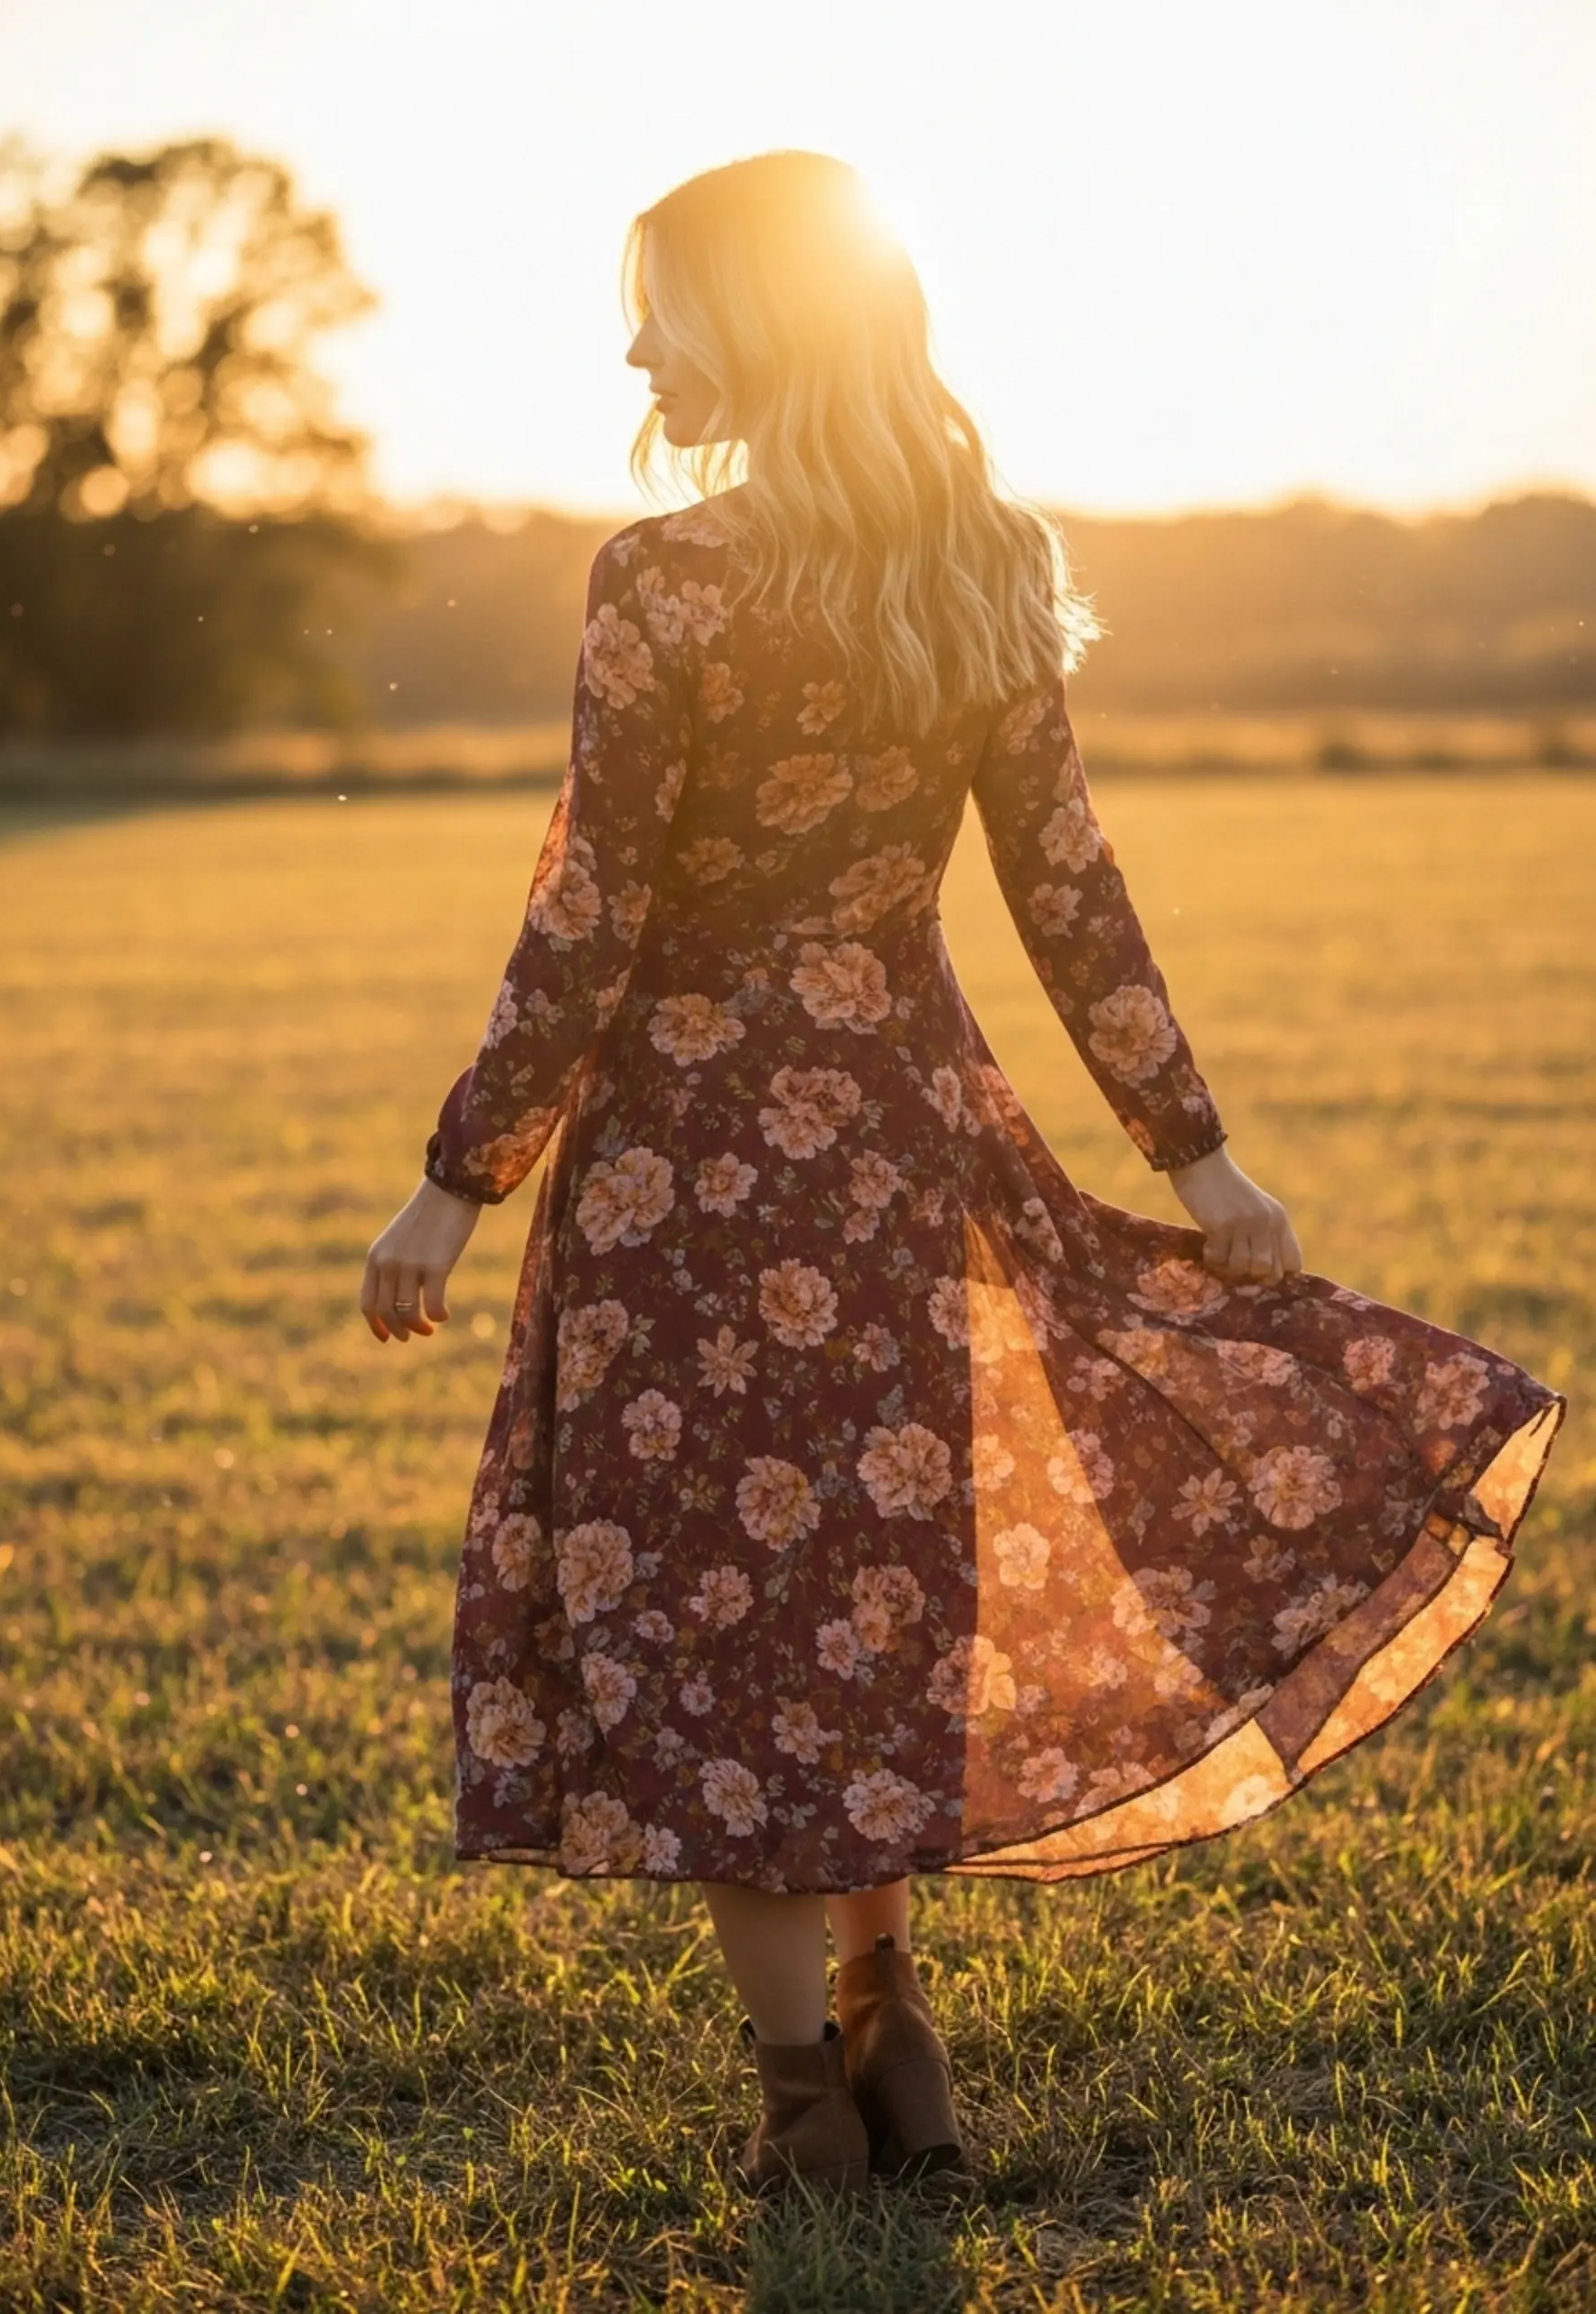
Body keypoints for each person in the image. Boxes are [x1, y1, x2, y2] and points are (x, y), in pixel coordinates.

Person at [359, 150, 1564, 2200]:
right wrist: (1197, 1149)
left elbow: (590, 913)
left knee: (707, 1613)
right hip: (900, 1146)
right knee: (870, 1590)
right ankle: (890, 2027)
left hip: (689, 1170)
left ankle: (797, 2104)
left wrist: (457, 1181)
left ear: (761, 318)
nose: (633, 343)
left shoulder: (664, 578)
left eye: (661, 303)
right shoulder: (977, 561)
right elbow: (1066, 891)